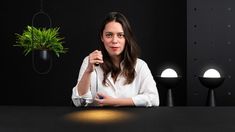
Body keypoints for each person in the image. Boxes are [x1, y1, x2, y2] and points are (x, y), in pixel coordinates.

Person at [71, 12, 159, 107]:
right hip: (98, 121)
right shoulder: (89, 61)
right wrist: (88, 71)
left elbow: (154, 99)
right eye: (109, 35)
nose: (114, 41)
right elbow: (79, 102)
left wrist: (115, 102)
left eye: (120, 35)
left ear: (126, 38)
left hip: (131, 121)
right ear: (102, 37)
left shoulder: (140, 65)